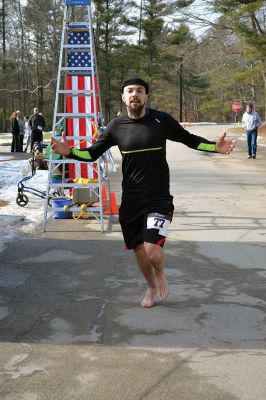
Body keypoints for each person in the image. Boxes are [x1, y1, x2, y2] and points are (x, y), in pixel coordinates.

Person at [51, 77, 236, 308]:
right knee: (139, 250)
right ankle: (150, 286)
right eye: (130, 91)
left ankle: (160, 273)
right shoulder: (116, 126)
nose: (134, 94)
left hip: (158, 197)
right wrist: (69, 153)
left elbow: (189, 140)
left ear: (146, 96)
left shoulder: (160, 120)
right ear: (123, 97)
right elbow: (93, 153)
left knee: (152, 249)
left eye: (139, 90)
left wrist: (214, 148)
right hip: (131, 200)